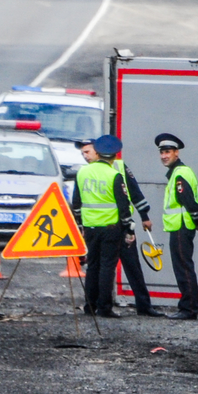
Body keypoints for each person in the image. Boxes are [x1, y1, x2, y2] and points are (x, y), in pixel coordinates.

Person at [77, 139, 165, 317]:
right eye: (83, 153)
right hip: (114, 227)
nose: (85, 156)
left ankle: (143, 305)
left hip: (112, 226)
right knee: (104, 267)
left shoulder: (118, 167)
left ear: (98, 152)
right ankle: (100, 306)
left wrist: (144, 216)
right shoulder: (87, 171)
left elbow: (134, 192)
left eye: (88, 152)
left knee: (130, 266)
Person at [70, 134, 134, 318]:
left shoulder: (82, 172)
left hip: (90, 227)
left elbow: (76, 202)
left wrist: (81, 224)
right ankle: (104, 307)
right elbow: (123, 205)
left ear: (98, 153)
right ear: (113, 156)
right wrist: (129, 229)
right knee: (107, 267)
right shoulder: (114, 175)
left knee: (93, 266)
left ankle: (89, 307)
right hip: (110, 228)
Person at [154, 132, 198, 320]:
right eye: (162, 153)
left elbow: (186, 198)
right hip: (182, 226)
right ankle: (188, 307)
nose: (164, 156)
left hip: (181, 227)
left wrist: (196, 217)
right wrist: (197, 219)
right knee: (184, 266)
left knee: (183, 268)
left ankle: (188, 309)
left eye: (168, 152)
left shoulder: (180, 173)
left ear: (177, 152)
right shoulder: (179, 172)